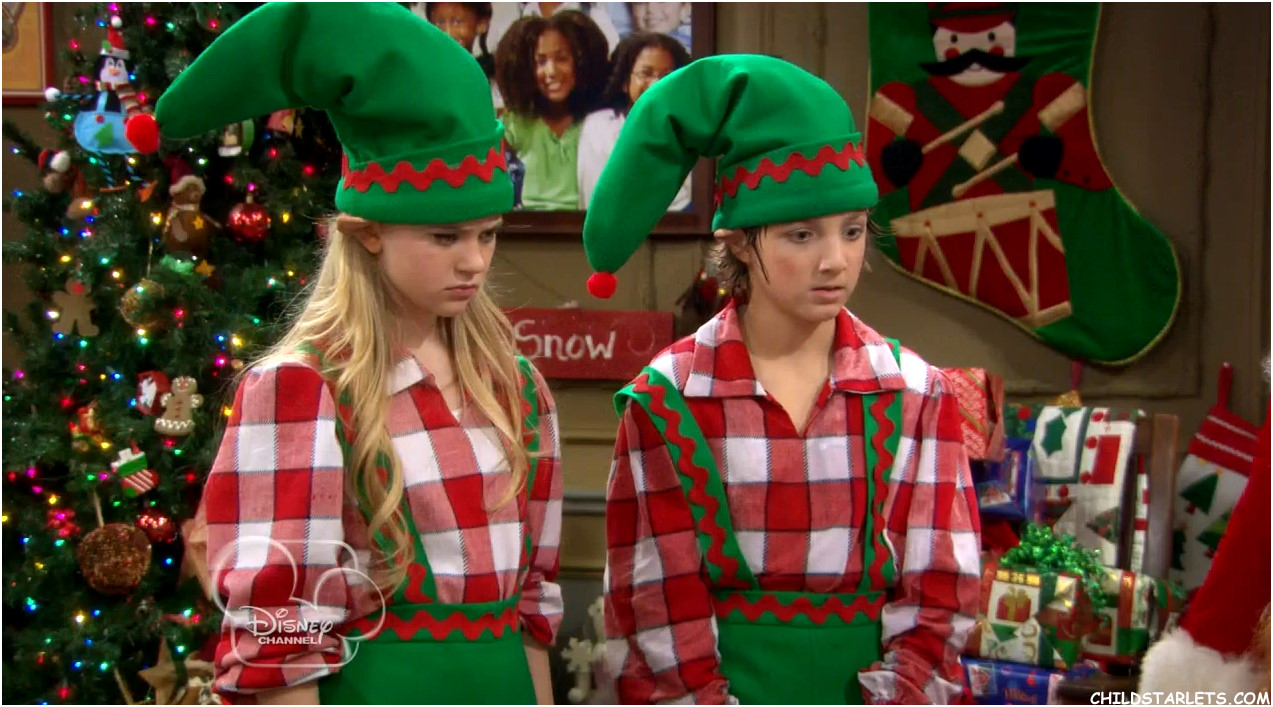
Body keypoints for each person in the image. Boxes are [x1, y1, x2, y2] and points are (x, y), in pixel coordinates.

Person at [139, 4, 563, 704]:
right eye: (445, 237)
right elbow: (278, 633)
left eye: (486, 234)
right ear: (367, 234)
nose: (474, 262)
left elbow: (532, 607)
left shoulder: (513, 386)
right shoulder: (303, 391)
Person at [582, 55, 981, 704]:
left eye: (852, 231)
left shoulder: (914, 393)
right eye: (801, 234)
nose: (835, 261)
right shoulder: (669, 399)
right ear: (740, 242)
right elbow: (654, 606)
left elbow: (940, 594)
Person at [495, 10, 609, 211]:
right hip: (527, 226)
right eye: (540, 62)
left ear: (582, 62)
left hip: (584, 224)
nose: (551, 72)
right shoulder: (514, 124)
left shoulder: (600, 125)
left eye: (562, 58)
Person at [577, 31, 691, 210]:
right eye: (646, 73)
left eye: (667, 76)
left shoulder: (691, 128)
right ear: (625, 81)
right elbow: (596, 201)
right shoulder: (599, 127)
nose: (656, 85)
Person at [414, 2, 502, 111]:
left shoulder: (492, 81)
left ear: (482, 24)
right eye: (440, 22)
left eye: (457, 22)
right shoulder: (425, 79)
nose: (447, 33)